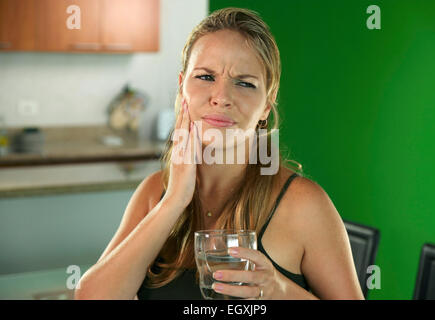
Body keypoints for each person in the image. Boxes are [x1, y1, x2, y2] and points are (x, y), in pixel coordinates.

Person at [74, 7, 364, 300]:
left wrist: (280, 290)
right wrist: (174, 202)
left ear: (267, 103)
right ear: (181, 87)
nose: (222, 97)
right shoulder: (154, 194)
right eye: (205, 77)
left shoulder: (303, 205)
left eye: (244, 83)